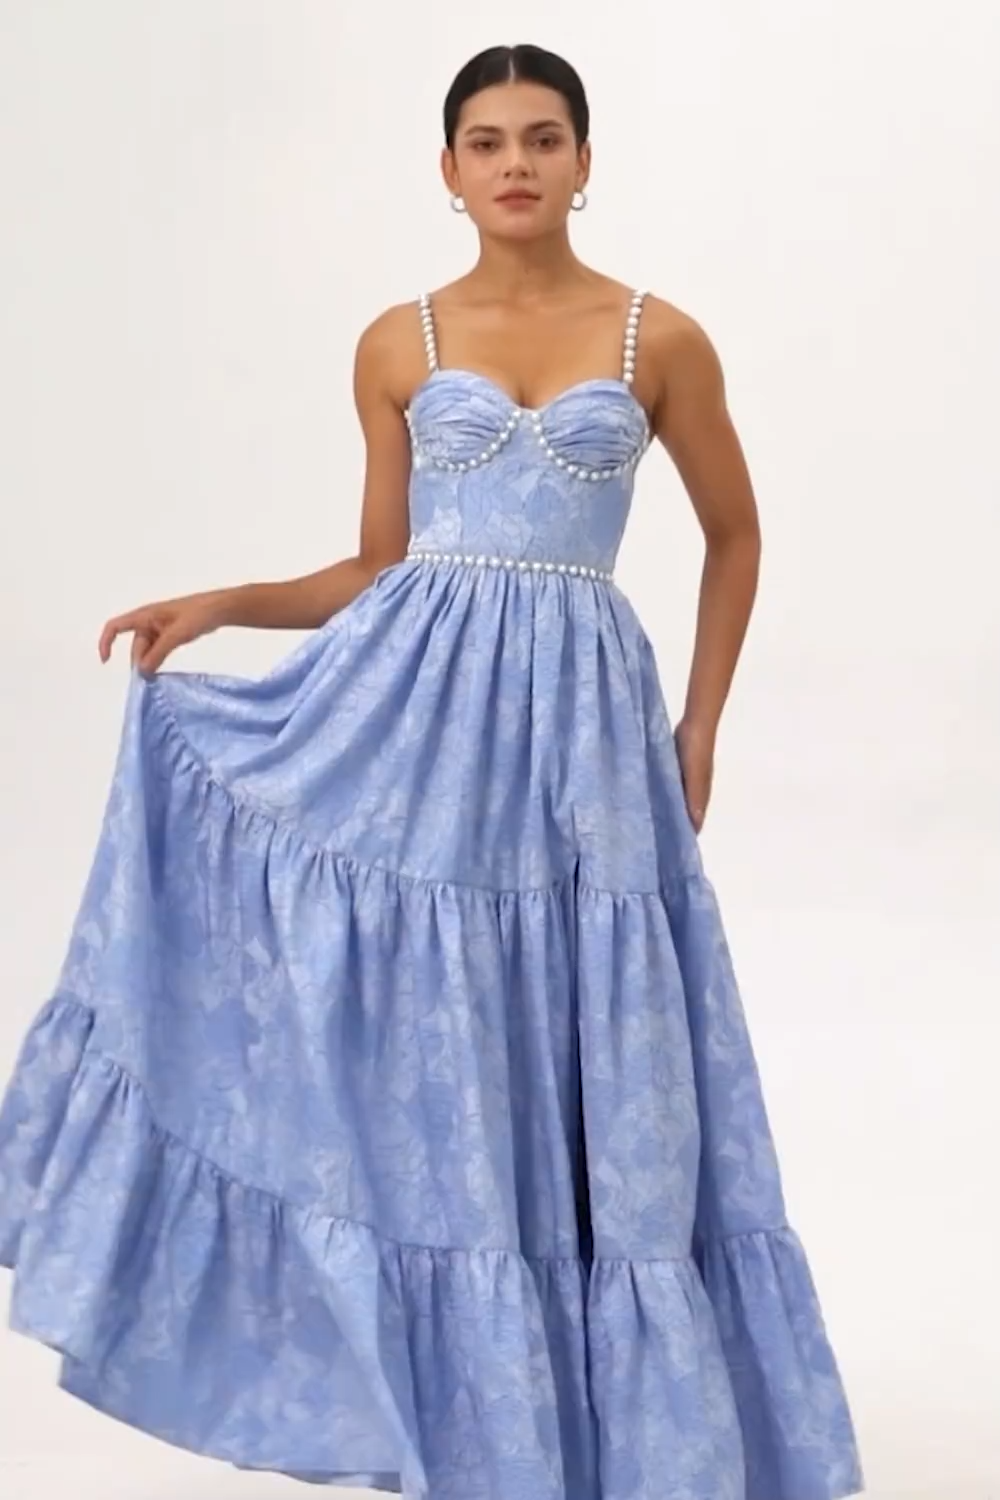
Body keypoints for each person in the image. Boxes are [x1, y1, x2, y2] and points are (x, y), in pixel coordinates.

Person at [0, 41, 863, 1500]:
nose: (516, 163)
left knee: (591, 1034)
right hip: (422, 729)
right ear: (449, 170)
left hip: (586, 731)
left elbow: (736, 535)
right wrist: (223, 602)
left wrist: (702, 723)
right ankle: (473, 1427)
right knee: (448, 1034)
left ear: (585, 160)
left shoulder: (659, 340)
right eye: (486, 141)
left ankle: (626, 1442)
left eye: (543, 137)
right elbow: (379, 567)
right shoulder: (397, 343)